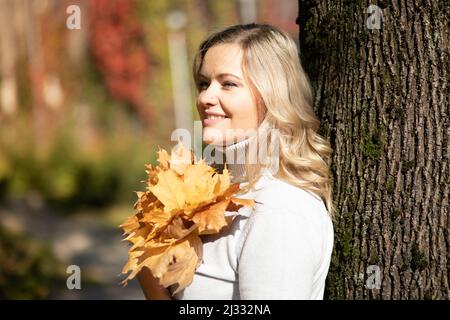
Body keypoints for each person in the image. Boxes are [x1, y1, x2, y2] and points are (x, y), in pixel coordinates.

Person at [138, 23, 335, 300]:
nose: (205, 97)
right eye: (204, 83)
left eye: (228, 84)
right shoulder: (222, 193)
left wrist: (154, 290)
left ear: (271, 95)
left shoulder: (279, 208)